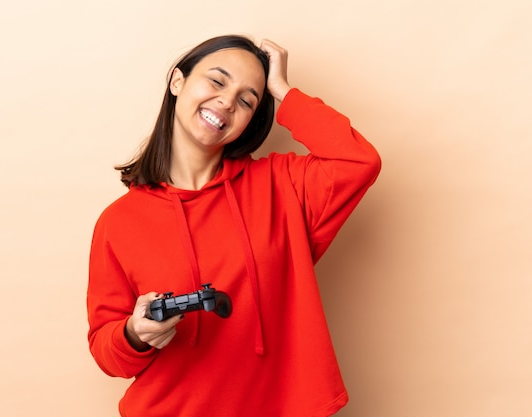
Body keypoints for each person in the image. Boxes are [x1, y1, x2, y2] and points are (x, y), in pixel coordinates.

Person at [87, 34, 381, 417]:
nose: (227, 101)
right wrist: (134, 334)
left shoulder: (283, 185)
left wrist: (283, 91)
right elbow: (108, 353)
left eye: (247, 100)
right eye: (217, 81)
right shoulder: (118, 222)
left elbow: (359, 162)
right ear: (178, 82)